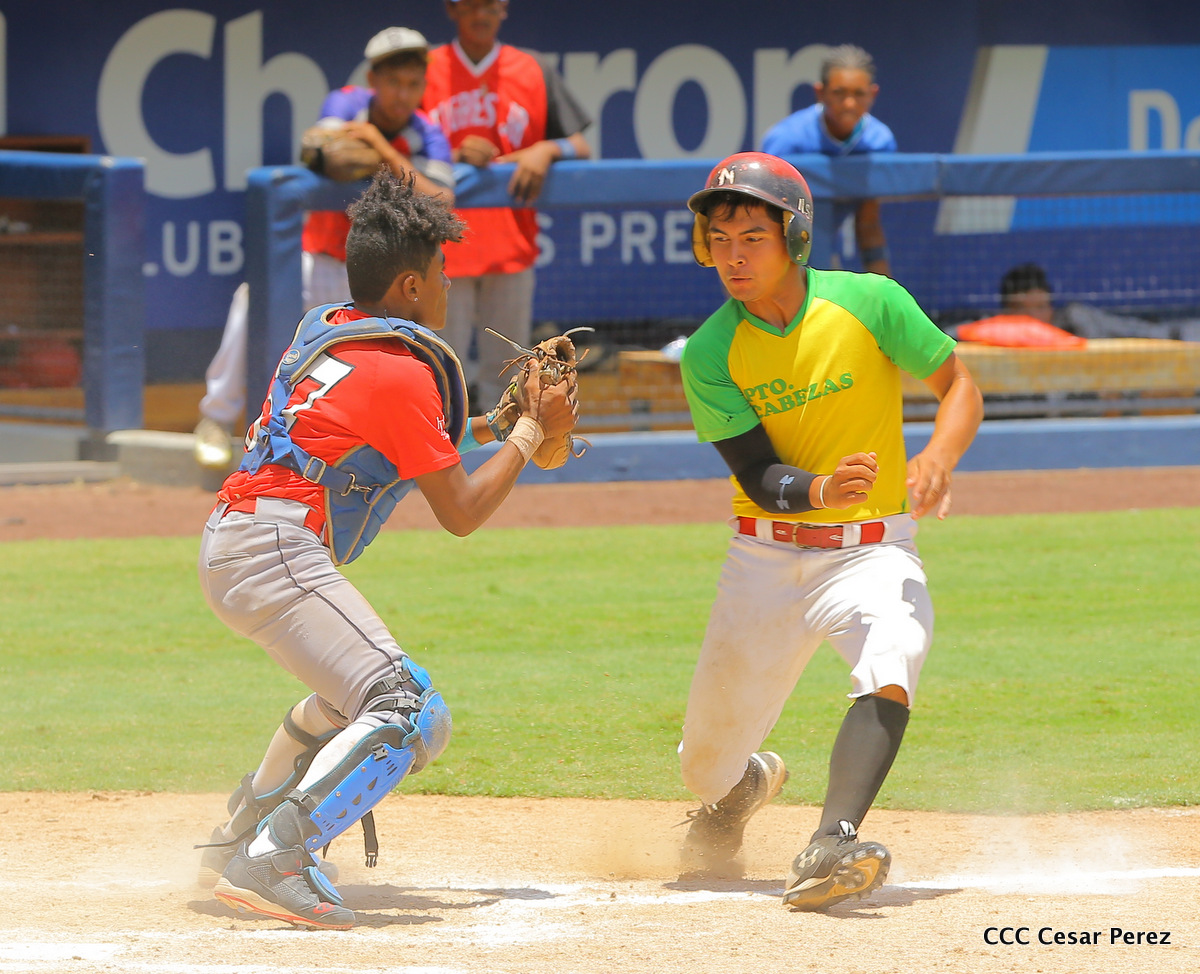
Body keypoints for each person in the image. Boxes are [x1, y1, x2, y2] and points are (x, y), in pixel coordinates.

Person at [197, 170, 577, 929]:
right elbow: (460, 511)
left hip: (237, 538)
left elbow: (409, 443)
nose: (447, 288)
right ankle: (276, 855)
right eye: (440, 274)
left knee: (352, 699)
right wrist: (533, 431)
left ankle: (248, 825)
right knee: (409, 709)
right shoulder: (399, 371)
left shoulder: (327, 330)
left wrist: (507, 426)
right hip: (275, 547)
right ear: (410, 285)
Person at [675, 152, 982, 911]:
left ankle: (832, 842)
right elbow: (756, 473)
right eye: (720, 239)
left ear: (794, 237)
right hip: (765, 558)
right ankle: (740, 787)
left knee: (895, 652)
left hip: (873, 548)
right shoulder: (710, 350)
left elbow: (958, 384)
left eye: (753, 237)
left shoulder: (869, 302)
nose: (734, 255)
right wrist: (817, 488)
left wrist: (940, 456)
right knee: (702, 767)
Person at [194, 26, 454, 470]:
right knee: (250, 300)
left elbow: (443, 201)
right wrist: (399, 169)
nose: (402, 94)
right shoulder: (346, 103)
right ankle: (216, 420)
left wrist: (377, 149)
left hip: (379, 277)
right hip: (319, 258)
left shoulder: (427, 131)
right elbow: (328, 155)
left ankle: (403, 442)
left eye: (413, 83)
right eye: (393, 81)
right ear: (373, 79)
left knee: (405, 351)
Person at [422, 0, 593, 410]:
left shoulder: (531, 67)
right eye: (471, 4)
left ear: (504, 9)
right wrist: (452, 155)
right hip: (442, 247)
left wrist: (545, 150)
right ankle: (439, 449)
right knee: (439, 372)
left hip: (511, 243)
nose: (481, 14)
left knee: (509, 377)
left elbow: (580, 145)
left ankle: (507, 451)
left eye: (490, 5)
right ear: (452, 9)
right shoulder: (425, 68)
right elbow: (398, 150)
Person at [760, 44, 896, 277]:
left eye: (859, 94)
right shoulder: (786, 140)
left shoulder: (880, 142)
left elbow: (868, 223)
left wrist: (884, 288)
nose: (849, 103)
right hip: (778, 246)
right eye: (839, 93)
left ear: (873, 94)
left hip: (824, 249)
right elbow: (764, 219)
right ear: (820, 93)